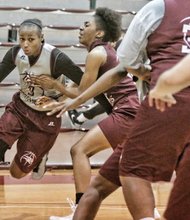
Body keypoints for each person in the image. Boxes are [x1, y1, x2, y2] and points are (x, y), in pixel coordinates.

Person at [42, 0, 190, 219]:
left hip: (135, 110)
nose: (81, 28)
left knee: (112, 164)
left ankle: (146, 210)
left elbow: (95, 83)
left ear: (100, 32)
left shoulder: (100, 52)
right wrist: (67, 98)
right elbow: (81, 87)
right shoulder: (101, 52)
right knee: (104, 182)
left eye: (86, 24)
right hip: (137, 110)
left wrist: (61, 91)